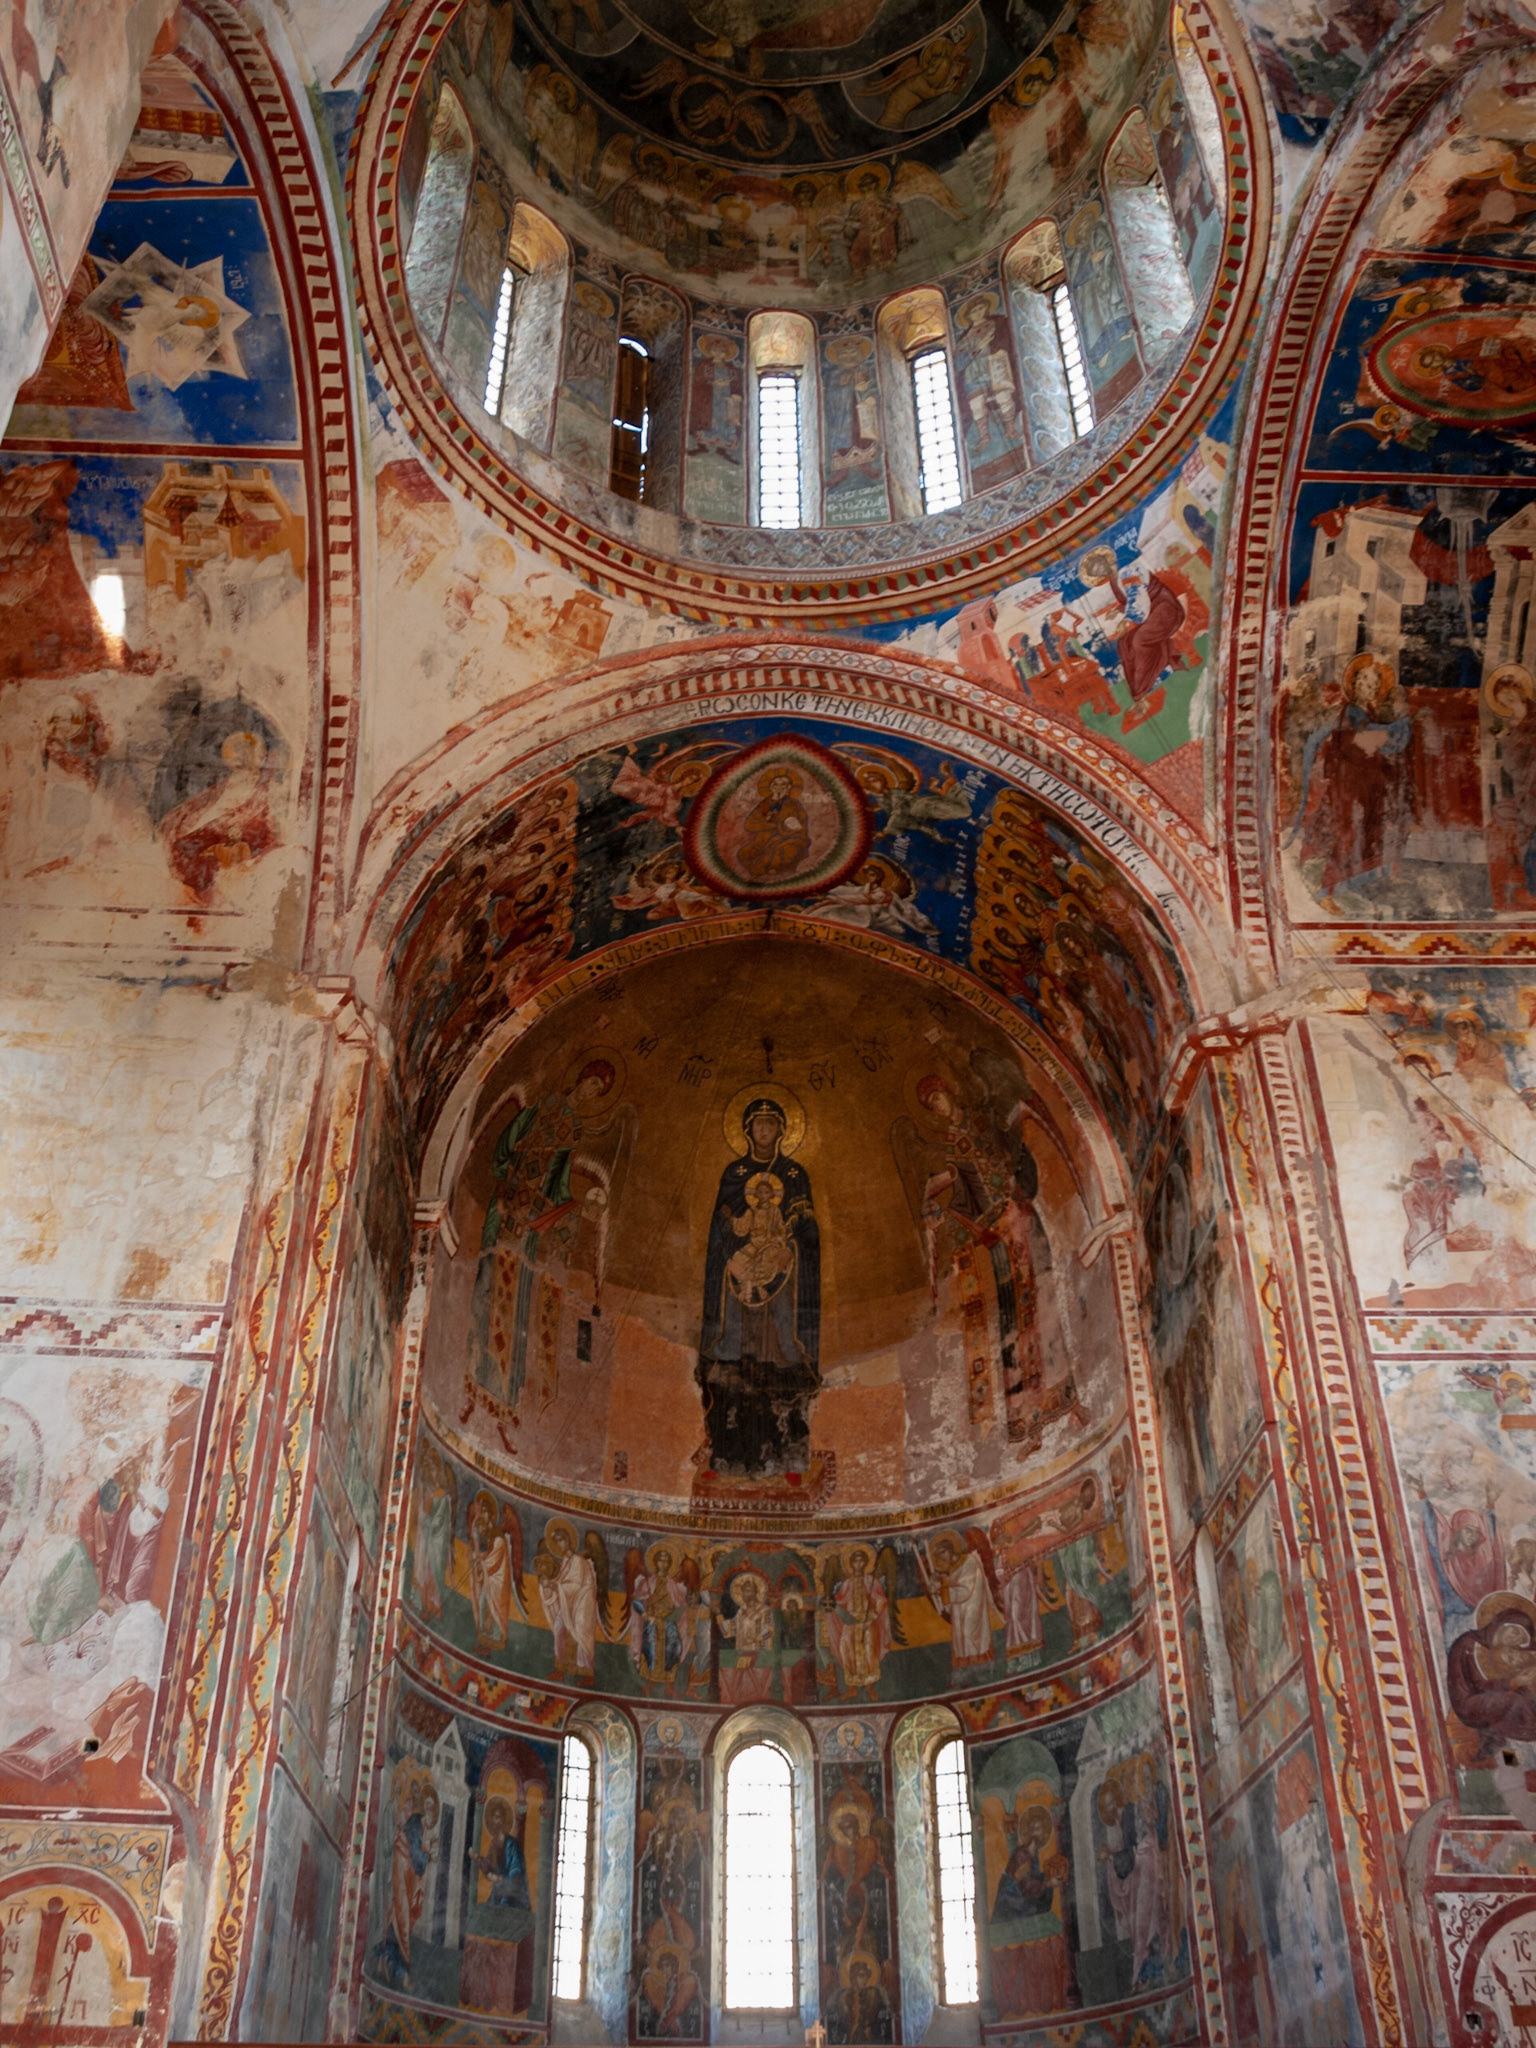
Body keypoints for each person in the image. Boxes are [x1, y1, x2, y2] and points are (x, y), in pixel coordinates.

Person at [697, 1099, 820, 1475]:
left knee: (778, 1324)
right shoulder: (734, 1174)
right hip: (743, 1269)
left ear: (782, 1130)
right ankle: (731, 1347)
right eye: (758, 1124)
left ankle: (785, 1350)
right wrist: (729, 1241)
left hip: (781, 1268)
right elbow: (724, 1229)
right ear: (747, 1130)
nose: (764, 1130)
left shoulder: (795, 1174)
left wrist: (789, 1248)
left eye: (770, 1124)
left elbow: (807, 1229)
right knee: (739, 1301)